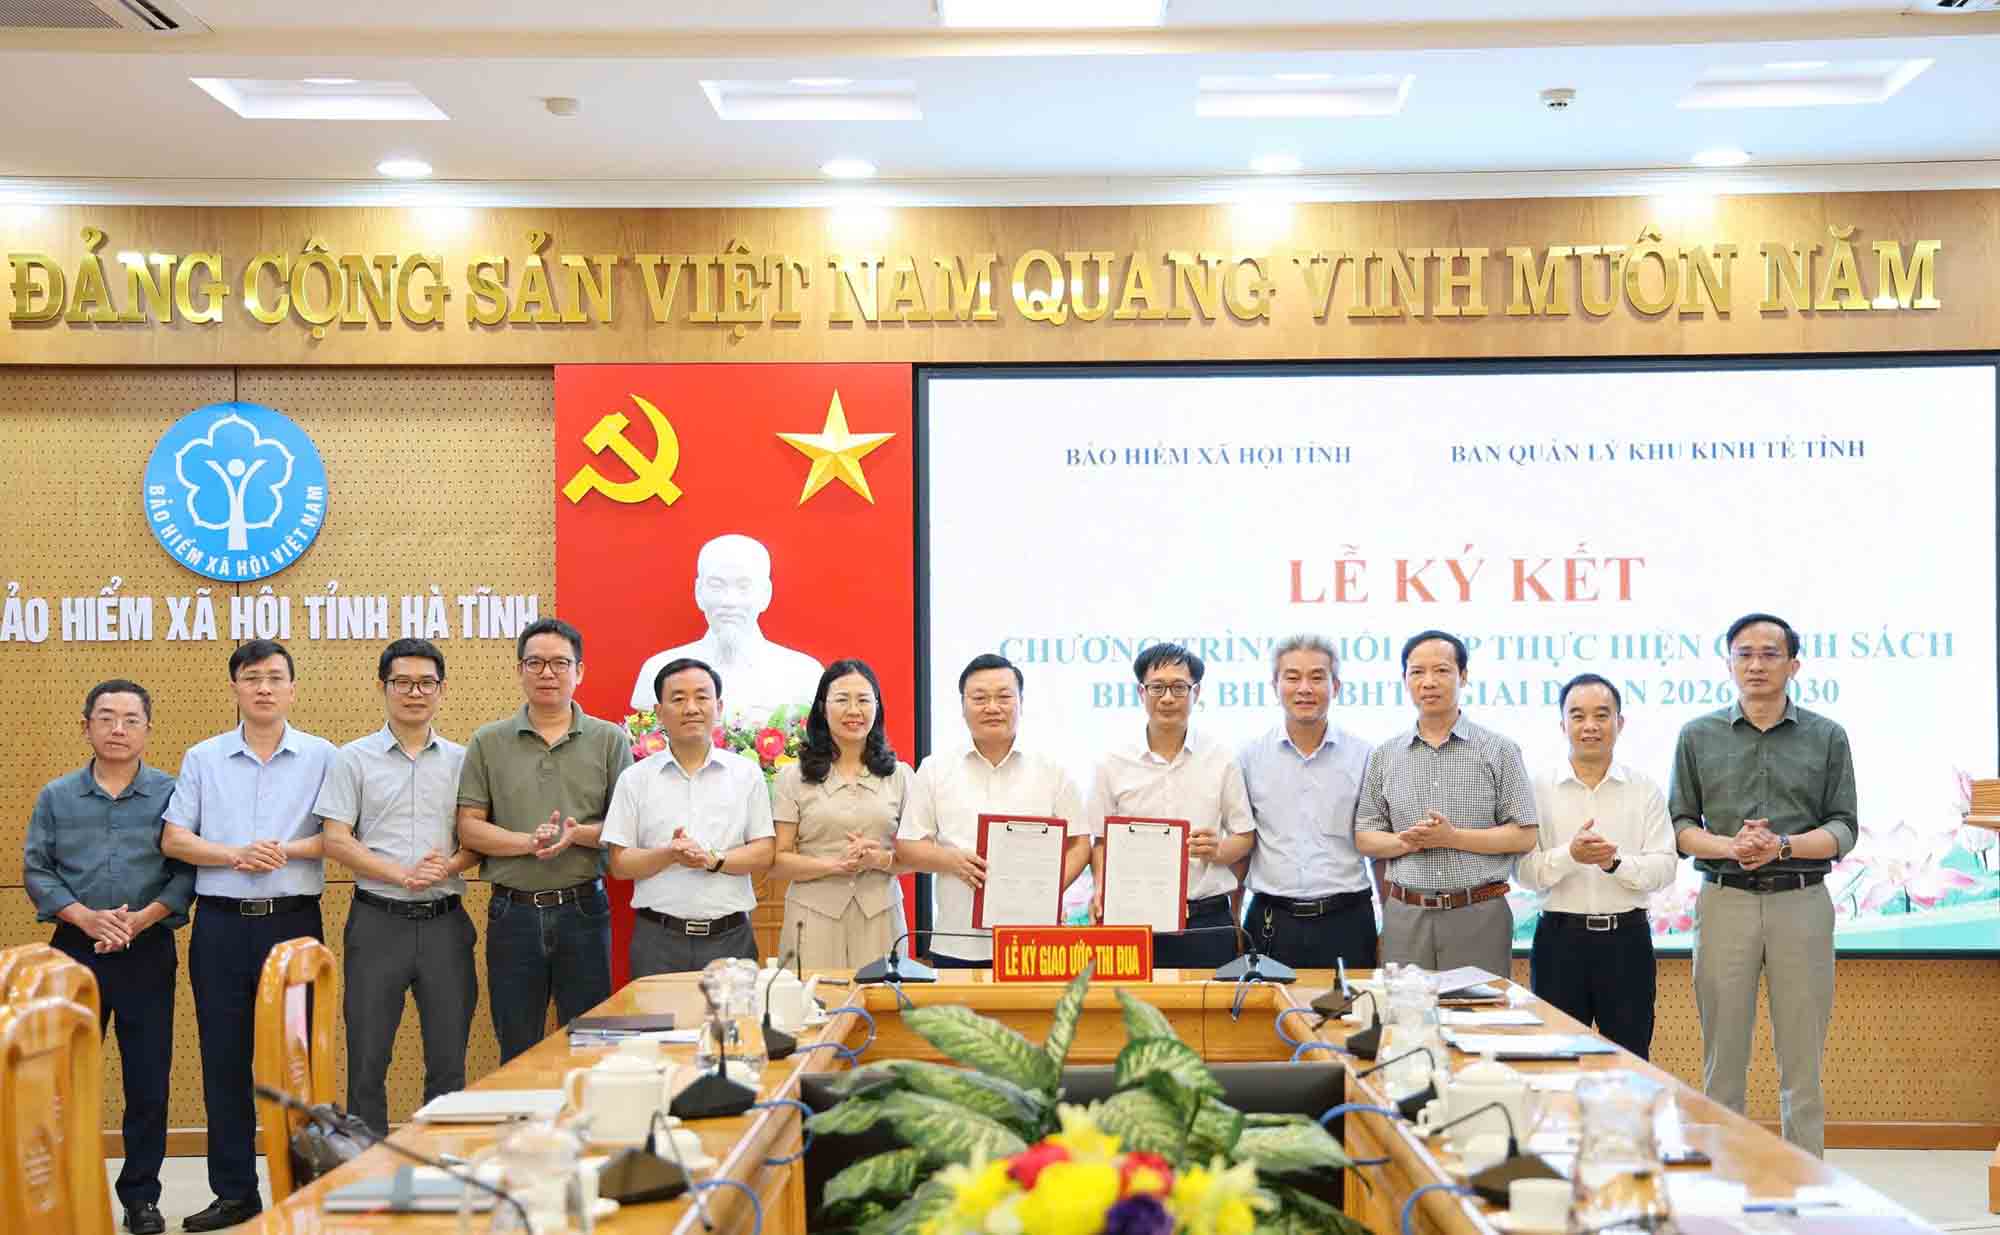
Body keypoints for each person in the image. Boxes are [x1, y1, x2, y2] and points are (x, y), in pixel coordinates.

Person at [159, 640, 334, 1232]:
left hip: (293, 926)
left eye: (275, 678)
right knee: (225, 1061)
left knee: (298, 1061)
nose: (263, 688)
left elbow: (338, 837)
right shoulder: (203, 757)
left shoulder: (323, 756)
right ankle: (235, 1193)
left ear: (293, 688)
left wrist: (280, 850)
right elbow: (175, 840)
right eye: (251, 677)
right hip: (222, 928)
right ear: (234, 687)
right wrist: (236, 855)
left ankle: (301, 1184)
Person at [1669, 612, 1856, 1157]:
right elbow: (1681, 829)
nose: (1756, 664)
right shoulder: (1696, 735)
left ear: (1794, 665)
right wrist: (1732, 847)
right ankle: (1725, 1178)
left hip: (1801, 901)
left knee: (1802, 1059)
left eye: (1770, 654)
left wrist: (1782, 847)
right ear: (1729, 663)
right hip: (1725, 901)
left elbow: (1844, 826)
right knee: (1722, 1057)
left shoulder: (1826, 736)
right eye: (1744, 653)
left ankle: (1806, 1180)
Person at [23, 679, 191, 1235]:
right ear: (87, 725)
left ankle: (141, 1197)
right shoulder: (57, 795)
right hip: (73, 951)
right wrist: (85, 917)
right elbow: (37, 870)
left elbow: (186, 871)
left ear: (147, 728)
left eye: (131, 719)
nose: (118, 729)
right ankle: (64, 1186)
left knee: (148, 1080)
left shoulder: (174, 794)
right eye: (106, 718)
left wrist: (140, 920)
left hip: (147, 950)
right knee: (62, 1080)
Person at [314, 638, 479, 1137]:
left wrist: (448, 865)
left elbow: (478, 842)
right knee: (367, 1057)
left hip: (445, 925)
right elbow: (335, 839)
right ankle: (368, 1173)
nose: (414, 693)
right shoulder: (352, 759)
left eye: (425, 682)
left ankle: (441, 1165)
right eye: (402, 683)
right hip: (377, 922)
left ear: (442, 690)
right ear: (383, 688)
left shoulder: (465, 760)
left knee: (449, 1059)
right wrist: (398, 874)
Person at [457, 617, 631, 1062]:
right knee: (517, 1047)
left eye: (559, 663)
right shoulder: (488, 741)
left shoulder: (610, 740)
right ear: (519, 671)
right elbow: (469, 827)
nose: (547, 673)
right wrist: (526, 843)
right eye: (535, 663)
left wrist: (577, 835)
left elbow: (628, 829)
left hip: (584, 911)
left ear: (580, 671)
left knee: (592, 1047)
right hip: (512, 912)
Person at [1354, 629, 1537, 977]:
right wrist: (1405, 841)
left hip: (1478, 911)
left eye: (1441, 670)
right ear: (1405, 680)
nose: (1429, 682)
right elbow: (1365, 837)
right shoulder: (1384, 755)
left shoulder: (1499, 749)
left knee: (1478, 1025)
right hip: (1406, 914)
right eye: (1417, 672)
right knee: (1408, 1023)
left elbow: (1524, 834)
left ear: (1463, 676)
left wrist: (1453, 838)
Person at [1516, 673, 1678, 1059]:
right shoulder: (1536, 789)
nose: (1590, 726)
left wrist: (1613, 862)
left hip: (1627, 942)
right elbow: (1523, 872)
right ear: (1562, 725)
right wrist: (1569, 856)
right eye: (1578, 715)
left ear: (1619, 724)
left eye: (1602, 715)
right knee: (1556, 1059)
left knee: (1630, 1058)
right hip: (1559, 943)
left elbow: (1665, 868)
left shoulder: (1644, 789)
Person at [896, 653, 1086, 968]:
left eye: (1004, 696)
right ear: (963, 705)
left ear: (1021, 702)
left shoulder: (1053, 770)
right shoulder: (935, 769)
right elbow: (907, 845)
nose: (992, 707)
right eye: (980, 698)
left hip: (1034, 940)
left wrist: (1049, 888)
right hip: (958, 940)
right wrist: (951, 860)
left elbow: (1080, 843)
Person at [1086, 643, 1256, 970]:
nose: (1167, 698)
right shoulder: (1111, 762)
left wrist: (1218, 850)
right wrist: (1100, 888)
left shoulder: (1221, 759)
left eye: (1179, 687)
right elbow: (1101, 842)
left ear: (1196, 692)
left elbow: (1244, 837)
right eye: (1157, 687)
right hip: (1133, 919)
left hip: (1206, 920)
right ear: (1141, 692)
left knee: (1211, 1019)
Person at [605, 658, 776, 975]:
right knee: (659, 1026)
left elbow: (765, 852)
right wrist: (668, 854)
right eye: (678, 698)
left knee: (732, 1025)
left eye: (701, 697)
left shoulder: (746, 774)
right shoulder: (635, 779)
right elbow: (619, 863)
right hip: (658, 940)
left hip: (731, 939)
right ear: (659, 712)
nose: (691, 708)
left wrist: (714, 859)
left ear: (719, 706)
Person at [1236, 635, 1377, 971]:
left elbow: (1378, 851)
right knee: (1267, 1023)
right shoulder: (1249, 757)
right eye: (1292, 677)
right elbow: (1242, 847)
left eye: (1317, 677)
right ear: (1275, 685)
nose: (1304, 688)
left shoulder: (1365, 756)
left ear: (1336, 686)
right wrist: (1232, 922)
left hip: (1348, 920)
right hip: (1271, 921)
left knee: (1351, 1022)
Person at [771, 659, 913, 970]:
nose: (854, 710)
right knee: (813, 1008)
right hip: (812, 916)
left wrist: (880, 859)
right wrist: (833, 865)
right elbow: (778, 861)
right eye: (842, 700)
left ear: (877, 707)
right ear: (822, 707)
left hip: (880, 916)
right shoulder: (792, 777)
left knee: (884, 1006)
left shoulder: (900, 776)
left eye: (863, 700)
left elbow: (918, 854)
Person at [629, 533, 823, 720]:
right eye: (716, 585)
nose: (729, 601)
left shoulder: (804, 674)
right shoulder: (658, 670)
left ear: (765, 594)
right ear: (699, 592)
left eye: (744, 586)